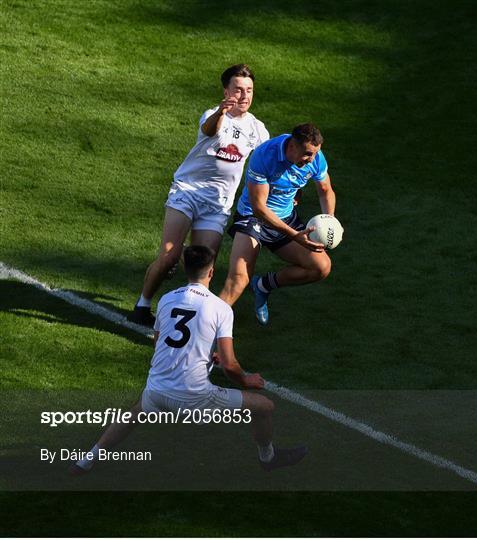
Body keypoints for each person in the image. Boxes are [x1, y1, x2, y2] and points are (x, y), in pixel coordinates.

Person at [71, 246, 307, 474]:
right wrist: (247, 380)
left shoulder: (165, 300)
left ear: (187, 271)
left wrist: (205, 356)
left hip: (157, 391)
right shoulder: (221, 309)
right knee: (265, 407)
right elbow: (229, 365)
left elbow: (160, 344)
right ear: (211, 272)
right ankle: (268, 458)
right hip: (195, 399)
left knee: (135, 413)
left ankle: (87, 459)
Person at [130, 64, 269, 327]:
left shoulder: (257, 129)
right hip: (188, 192)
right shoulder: (215, 115)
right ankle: (142, 305)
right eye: (238, 90)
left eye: (249, 90)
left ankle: (187, 318)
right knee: (169, 255)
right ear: (226, 90)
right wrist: (221, 111)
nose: (244, 96)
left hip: (218, 204)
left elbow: (265, 163)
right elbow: (209, 129)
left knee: (204, 266)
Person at [220, 123, 336, 325]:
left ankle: (263, 286)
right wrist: (294, 235)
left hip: (286, 217)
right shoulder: (265, 155)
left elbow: (325, 190)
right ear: (292, 146)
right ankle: (202, 332)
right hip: (253, 218)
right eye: (308, 154)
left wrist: (329, 220)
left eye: (315, 154)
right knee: (239, 279)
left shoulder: (315, 158)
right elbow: (259, 208)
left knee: (321, 267)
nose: (312, 159)